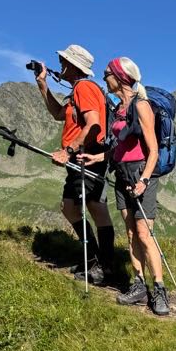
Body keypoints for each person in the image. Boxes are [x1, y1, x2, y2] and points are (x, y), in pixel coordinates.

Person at [80, 57, 168, 316]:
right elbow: (118, 149)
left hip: (141, 174)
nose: (104, 77)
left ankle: (160, 289)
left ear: (119, 77)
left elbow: (152, 151)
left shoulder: (141, 106)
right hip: (121, 174)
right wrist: (97, 158)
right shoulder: (119, 108)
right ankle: (139, 285)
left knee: (144, 234)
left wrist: (143, 181)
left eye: (107, 73)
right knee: (130, 234)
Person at [33, 44, 115, 284]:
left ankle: (100, 265)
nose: (60, 65)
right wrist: (42, 85)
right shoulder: (78, 90)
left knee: (83, 207)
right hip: (82, 157)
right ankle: (99, 262)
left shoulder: (85, 88)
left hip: (86, 157)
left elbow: (94, 124)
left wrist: (68, 151)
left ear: (71, 65)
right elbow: (59, 113)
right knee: (85, 207)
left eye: (63, 61)